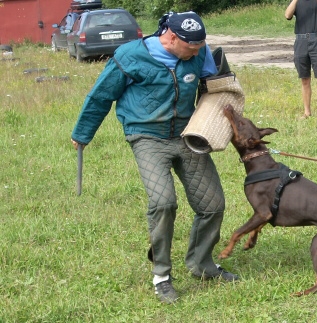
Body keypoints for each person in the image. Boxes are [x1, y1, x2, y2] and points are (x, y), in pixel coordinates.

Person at [70, 11, 239, 304]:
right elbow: (101, 96)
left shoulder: (199, 54)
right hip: (146, 136)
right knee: (163, 203)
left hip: (188, 134)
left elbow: (215, 86)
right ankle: (161, 276)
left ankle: (202, 264)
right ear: (171, 38)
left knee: (212, 205)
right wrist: (83, 133)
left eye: (202, 46)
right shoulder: (130, 55)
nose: (199, 52)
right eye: (193, 47)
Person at [285, 0, 317, 120]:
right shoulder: (296, 2)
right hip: (300, 41)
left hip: (316, 39)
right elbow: (287, 15)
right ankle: (307, 112)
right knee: (304, 79)